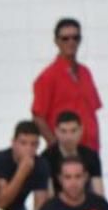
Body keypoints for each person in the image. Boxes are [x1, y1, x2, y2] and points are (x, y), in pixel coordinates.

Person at [32, 18, 103, 152]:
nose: (71, 42)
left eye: (75, 38)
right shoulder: (47, 77)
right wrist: (55, 147)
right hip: (66, 156)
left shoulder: (85, 72)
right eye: (65, 38)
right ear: (56, 41)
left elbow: (92, 110)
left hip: (91, 150)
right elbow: (38, 117)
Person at [41, 111, 103, 196]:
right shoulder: (46, 157)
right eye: (63, 131)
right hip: (57, 206)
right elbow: (48, 196)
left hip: (86, 205)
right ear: (56, 131)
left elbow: (99, 193)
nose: (68, 137)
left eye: (73, 131)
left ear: (81, 130)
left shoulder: (91, 156)